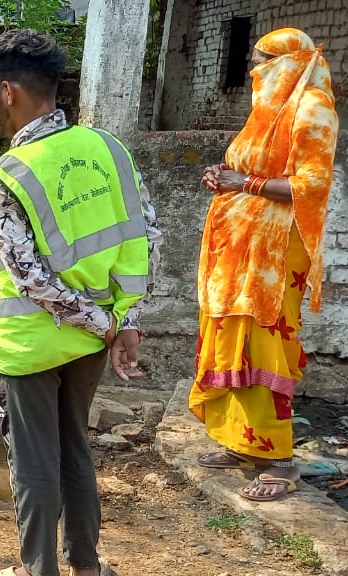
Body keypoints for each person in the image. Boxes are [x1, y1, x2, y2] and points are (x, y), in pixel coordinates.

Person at [0, 30, 162, 576]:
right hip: (91, 340)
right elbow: (145, 238)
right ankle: (87, 567)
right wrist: (124, 323)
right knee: (75, 447)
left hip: (29, 344)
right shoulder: (109, 150)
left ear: (8, 91)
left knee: (34, 463)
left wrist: (107, 325)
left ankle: (39, 570)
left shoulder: (8, 176)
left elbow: (29, 278)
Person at [192, 28, 338, 503]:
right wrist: (223, 176)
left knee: (265, 343)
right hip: (240, 251)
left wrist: (246, 183)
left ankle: (278, 461)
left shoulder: (311, 106)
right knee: (233, 336)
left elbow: (310, 185)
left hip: (275, 257)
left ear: (293, 63)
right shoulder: (265, 113)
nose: (256, 70)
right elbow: (245, 170)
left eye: (265, 61)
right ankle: (241, 443)